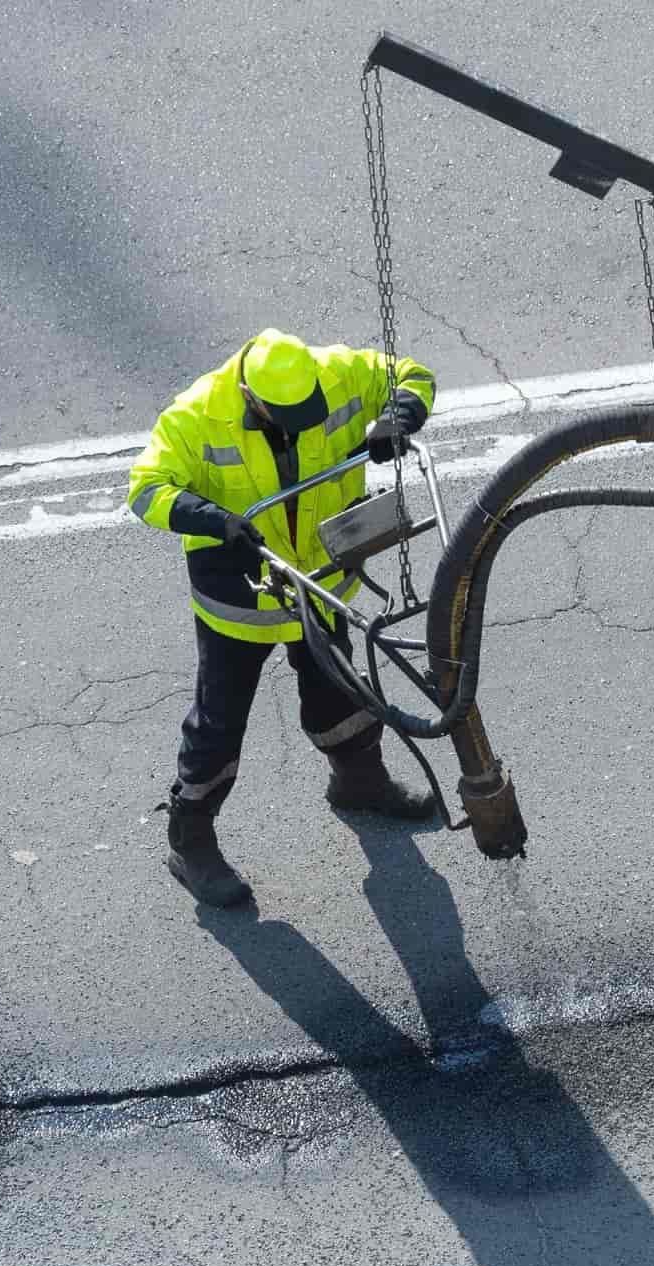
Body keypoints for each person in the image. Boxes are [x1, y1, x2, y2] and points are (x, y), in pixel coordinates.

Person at [126, 328, 438, 907]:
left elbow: (412, 374)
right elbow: (145, 490)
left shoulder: (337, 374)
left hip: (320, 580)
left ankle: (359, 781)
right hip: (239, 598)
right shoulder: (196, 416)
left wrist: (400, 416)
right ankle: (188, 838)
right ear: (254, 400)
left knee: (339, 691)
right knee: (219, 724)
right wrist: (215, 521)